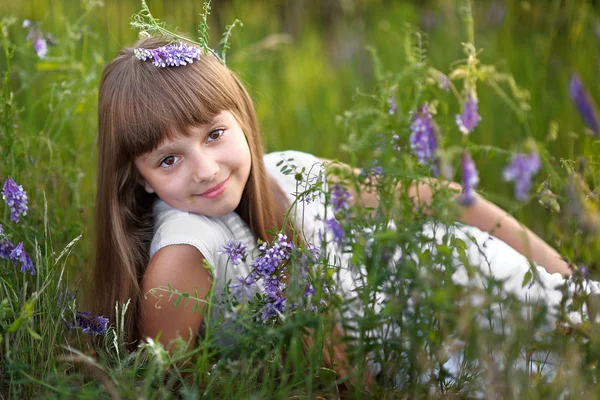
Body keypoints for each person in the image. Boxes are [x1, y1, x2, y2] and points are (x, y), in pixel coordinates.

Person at [90, 36, 586, 375]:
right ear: (141, 177)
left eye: (215, 134)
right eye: (170, 158)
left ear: (243, 119)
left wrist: (568, 281)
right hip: (436, 355)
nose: (204, 169)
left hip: (467, 282)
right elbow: (165, 384)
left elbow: (440, 199)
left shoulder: (287, 173)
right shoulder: (181, 259)